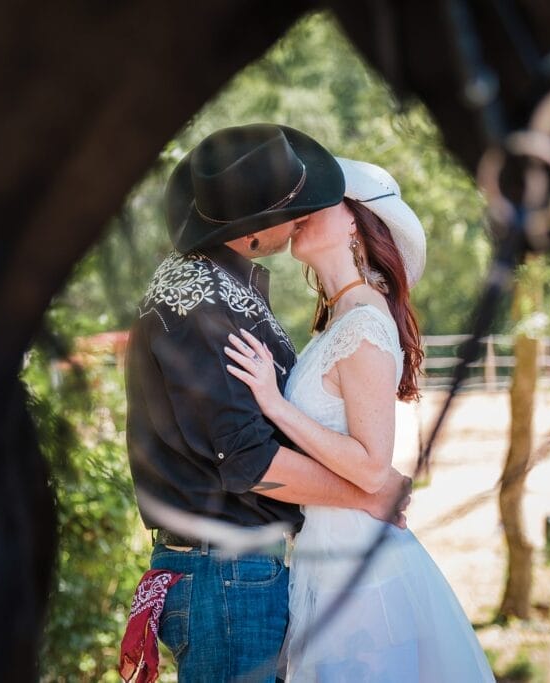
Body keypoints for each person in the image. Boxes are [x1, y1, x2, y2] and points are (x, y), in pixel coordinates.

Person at [123, 125, 412, 683]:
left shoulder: (222, 291)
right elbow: (249, 461)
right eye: (294, 208)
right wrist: (367, 494)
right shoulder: (200, 304)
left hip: (233, 574)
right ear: (251, 232)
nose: (304, 212)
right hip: (224, 577)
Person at [226, 157, 496, 681]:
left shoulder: (365, 324)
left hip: (357, 568)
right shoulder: (340, 321)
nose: (299, 213)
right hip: (330, 548)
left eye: (318, 201)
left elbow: (374, 469)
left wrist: (274, 403)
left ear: (355, 219)